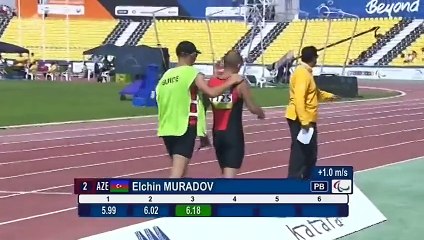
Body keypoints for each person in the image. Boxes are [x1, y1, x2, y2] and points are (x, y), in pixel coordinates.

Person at [156, 41, 242, 178]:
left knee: (181, 168)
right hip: (183, 128)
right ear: (189, 55)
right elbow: (211, 93)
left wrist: (202, 132)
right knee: (177, 173)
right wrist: (231, 81)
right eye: (195, 55)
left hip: (166, 127)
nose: (196, 58)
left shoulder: (166, 76)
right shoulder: (193, 73)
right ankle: (167, 198)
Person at [207, 50, 265, 178]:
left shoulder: (212, 82)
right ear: (238, 65)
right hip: (233, 135)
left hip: (217, 135)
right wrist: (261, 113)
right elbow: (252, 107)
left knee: (225, 172)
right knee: (229, 177)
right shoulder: (240, 84)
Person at [285, 46, 338, 180]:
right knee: (301, 153)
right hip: (301, 119)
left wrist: (329, 96)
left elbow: (314, 92)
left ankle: (304, 179)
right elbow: (299, 98)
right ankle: (294, 182)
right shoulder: (302, 74)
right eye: (316, 57)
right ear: (313, 58)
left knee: (309, 152)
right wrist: (304, 122)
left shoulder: (306, 72)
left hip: (305, 118)